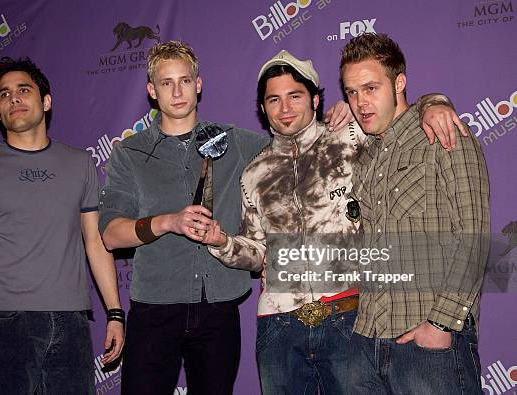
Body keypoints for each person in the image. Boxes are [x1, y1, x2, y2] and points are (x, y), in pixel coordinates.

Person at [98, 40, 357, 395]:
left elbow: (292, 136)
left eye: (185, 81)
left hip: (218, 309)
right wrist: (167, 222)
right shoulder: (129, 152)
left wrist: (344, 112)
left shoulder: (236, 141)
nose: (176, 91)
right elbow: (111, 235)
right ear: (151, 90)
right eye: (166, 82)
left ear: (198, 84)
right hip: (155, 307)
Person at [202, 49, 465, 394]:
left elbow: (399, 112)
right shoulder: (253, 173)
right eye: (274, 100)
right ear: (262, 108)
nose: (284, 109)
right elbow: (258, 252)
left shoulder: (352, 136)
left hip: (350, 313)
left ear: (314, 98)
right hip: (279, 325)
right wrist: (222, 243)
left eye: (295, 96)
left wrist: (435, 101)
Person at [0, 57, 124, 394]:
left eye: (23, 90)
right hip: (6, 324)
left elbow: (95, 242)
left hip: (71, 322)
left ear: (46, 101)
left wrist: (115, 312)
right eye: (4, 94)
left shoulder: (81, 163)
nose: (14, 98)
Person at [341, 33, 489, 394]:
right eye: (351, 92)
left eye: (371, 88)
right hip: (367, 343)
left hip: (428, 345)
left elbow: (475, 236)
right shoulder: (365, 156)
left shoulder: (442, 133)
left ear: (399, 82)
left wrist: (440, 325)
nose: (361, 102)